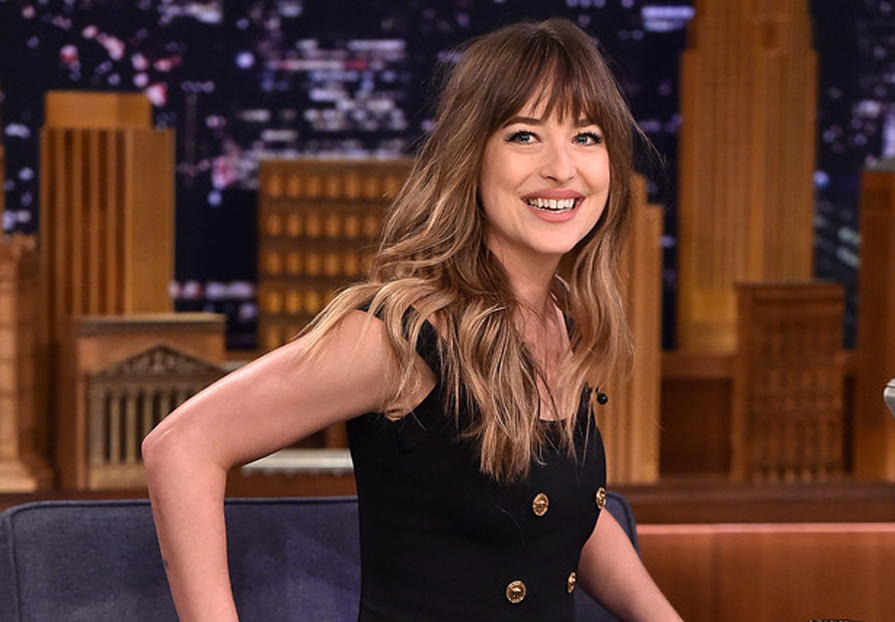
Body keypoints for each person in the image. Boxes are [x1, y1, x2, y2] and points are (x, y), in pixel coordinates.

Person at [143, 17, 685, 622]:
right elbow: (180, 447)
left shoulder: (560, 323)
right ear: (470, 157)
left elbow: (558, 505)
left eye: (586, 136)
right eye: (524, 135)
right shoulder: (400, 334)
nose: (562, 167)